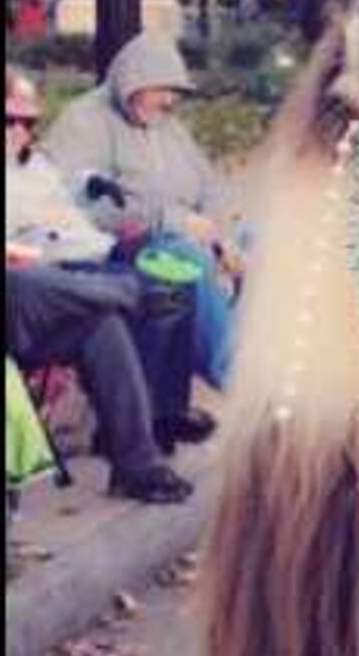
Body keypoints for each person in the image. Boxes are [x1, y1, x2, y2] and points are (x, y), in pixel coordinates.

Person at [4, 76, 193, 503]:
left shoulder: (33, 166)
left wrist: (93, 190)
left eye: (28, 123)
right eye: (8, 121)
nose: (19, 132)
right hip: (20, 289)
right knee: (25, 277)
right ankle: (136, 292)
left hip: (48, 293)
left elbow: (65, 206)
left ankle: (137, 467)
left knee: (101, 325)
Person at [38, 32, 241, 394]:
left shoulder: (166, 126)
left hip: (182, 234)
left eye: (175, 91)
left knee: (259, 242)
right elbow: (78, 202)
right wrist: (173, 221)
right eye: (162, 89)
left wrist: (220, 233)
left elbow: (209, 184)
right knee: (186, 259)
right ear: (133, 81)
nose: (169, 101)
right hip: (121, 248)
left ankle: (271, 363)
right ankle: (239, 380)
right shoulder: (86, 120)